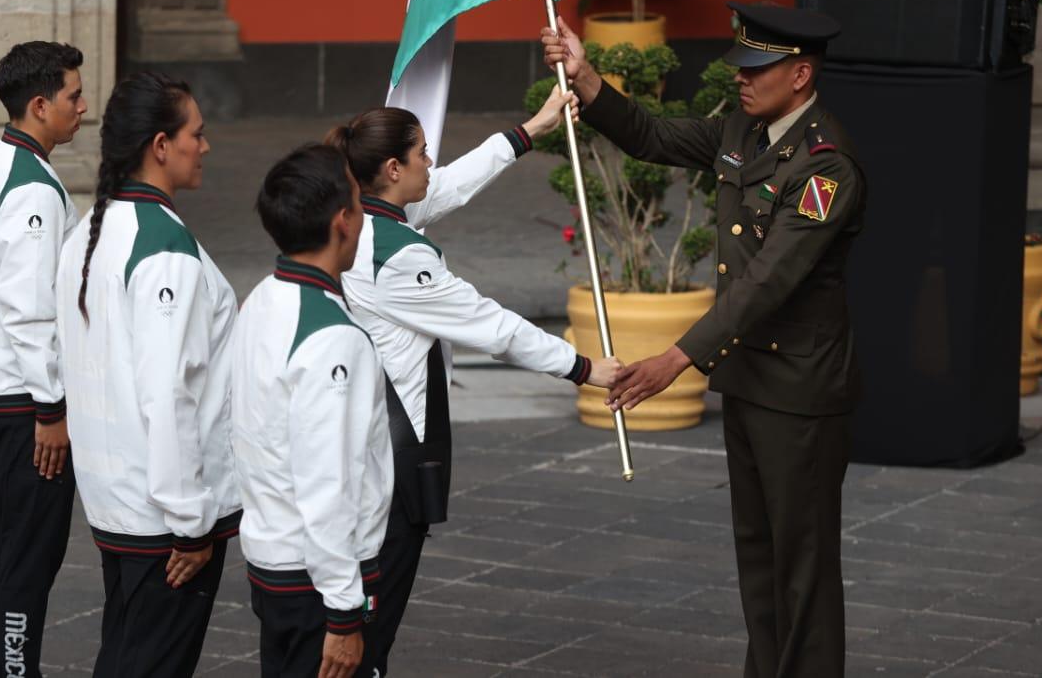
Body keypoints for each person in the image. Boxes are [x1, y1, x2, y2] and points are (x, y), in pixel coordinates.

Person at [543, 3, 865, 678]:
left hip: (799, 393)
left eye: (758, 68)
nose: (741, 79)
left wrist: (674, 359)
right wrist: (589, 77)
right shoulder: (742, 132)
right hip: (748, 378)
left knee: (802, 567)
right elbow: (654, 137)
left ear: (800, 73)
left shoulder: (825, 169)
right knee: (759, 556)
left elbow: (767, 284)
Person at [325, 88, 624, 675]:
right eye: (421, 155)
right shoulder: (398, 256)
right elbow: (493, 326)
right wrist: (584, 368)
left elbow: (453, 183)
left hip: (357, 441)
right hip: (392, 459)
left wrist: (530, 129)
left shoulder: (357, 222)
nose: (430, 164)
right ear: (392, 169)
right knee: (368, 632)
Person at [55, 72, 241, 678]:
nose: (205, 147)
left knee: (128, 657)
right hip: (163, 516)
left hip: (118, 500)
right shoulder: (161, 246)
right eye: (197, 133)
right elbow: (168, 392)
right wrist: (191, 523)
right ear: (161, 145)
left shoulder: (90, 228)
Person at [231, 144, 393, 678]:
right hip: (316, 582)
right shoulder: (331, 336)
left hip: (277, 563)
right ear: (343, 221)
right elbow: (328, 482)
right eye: (358, 199)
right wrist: (344, 613)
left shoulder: (261, 298)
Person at [0, 40, 86, 678]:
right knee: (28, 559)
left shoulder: (5, 162)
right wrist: (52, 408)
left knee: (10, 550)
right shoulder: (32, 189)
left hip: (8, 399)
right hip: (27, 406)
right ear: (39, 105)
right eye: (72, 96)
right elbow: (29, 310)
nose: (82, 106)